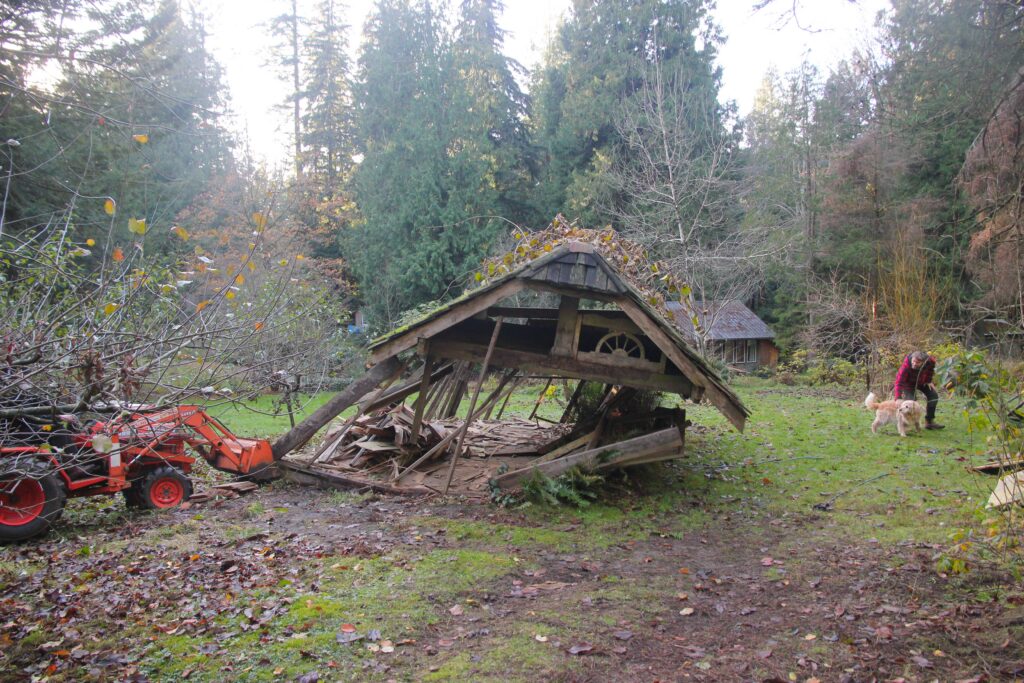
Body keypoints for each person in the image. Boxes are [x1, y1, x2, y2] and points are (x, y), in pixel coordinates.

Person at [893, 350, 944, 429]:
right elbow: (899, 383)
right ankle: (904, 424)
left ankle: (929, 422)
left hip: (922, 382)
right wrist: (898, 398)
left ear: (923, 362)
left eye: (917, 362)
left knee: (933, 397)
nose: (914, 363)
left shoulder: (930, 362)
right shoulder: (906, 367)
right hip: (908, 384)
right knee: (911, 404)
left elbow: (930, 371)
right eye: (913, 361)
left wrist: (928, 381)